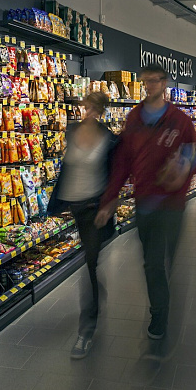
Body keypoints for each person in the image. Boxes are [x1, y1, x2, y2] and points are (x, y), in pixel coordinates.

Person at [96, 65, 196, 355]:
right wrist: (110, 197)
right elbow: (123, 162)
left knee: (159, 261)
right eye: (145, 82)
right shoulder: (134, 118)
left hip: (171, 204)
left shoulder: (179, 120)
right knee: (152, 261)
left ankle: (160, 311)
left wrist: (185, 166)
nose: (149, 86)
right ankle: (161, 306)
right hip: (144, 202)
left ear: (164, 83)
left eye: (154, 81)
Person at [48, 92, 118, 359]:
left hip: (93, 208)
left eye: (92, 108)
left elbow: (114, 175)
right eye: (84, 107)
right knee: (90, 262)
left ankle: (85, 333)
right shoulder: (71, 130)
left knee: (88, 263)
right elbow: (68, 168)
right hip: (73, 206)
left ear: (100, 111)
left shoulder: (109, 139)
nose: (86, 112)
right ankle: (97, 293)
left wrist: (109, 205)